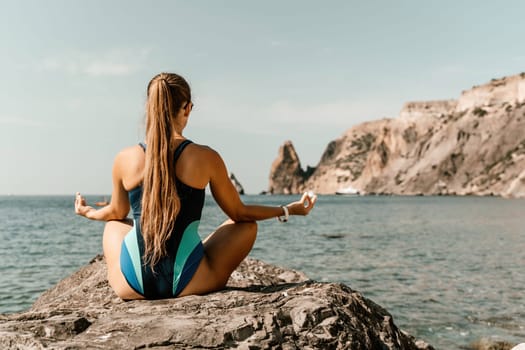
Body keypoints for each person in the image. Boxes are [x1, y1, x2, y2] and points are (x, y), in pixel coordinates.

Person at [74, 72, 317, 300]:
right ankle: (190, 259)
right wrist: (289, 210)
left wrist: (88, 212)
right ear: (187, 108)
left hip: (131, 286)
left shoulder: (124, 158)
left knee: (115, 225)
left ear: (150, 107)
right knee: (246, 227)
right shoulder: (205, 157)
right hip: (188, 285)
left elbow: (117, 212)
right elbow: (239, 213)